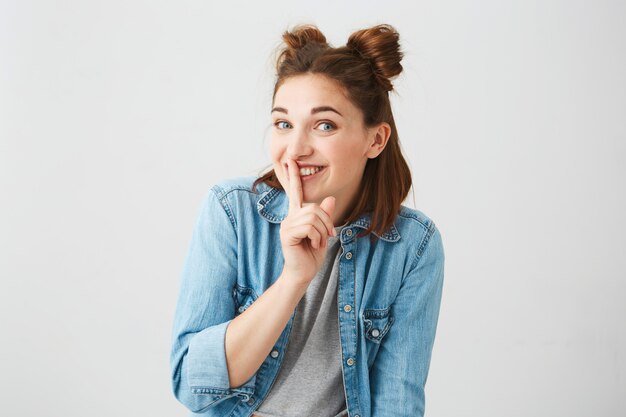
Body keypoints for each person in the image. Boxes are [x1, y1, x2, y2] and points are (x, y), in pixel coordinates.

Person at [170, 23, 445, 417]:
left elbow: (397, 403)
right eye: (284, 124)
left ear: (376, 140)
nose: (295, 149)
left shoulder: (412, 246)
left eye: (325, 125)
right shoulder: (231, 212)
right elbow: (192, 384)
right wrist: (293, 279)